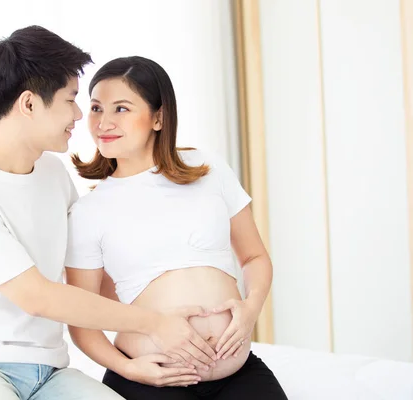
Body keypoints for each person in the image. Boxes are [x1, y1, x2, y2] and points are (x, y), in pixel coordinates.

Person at [0, 27, 218, 400]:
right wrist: (155, 324)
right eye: (71, 98)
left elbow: (93, 277)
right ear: (29, 104)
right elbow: (38, 297)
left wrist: (188, 309)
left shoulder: (53, 175)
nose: (79, 115)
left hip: (50, 373)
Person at [65, 56, 288, 399]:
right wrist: (128, 368)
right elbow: (81, 319)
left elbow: (255, 256)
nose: (103, 122)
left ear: (159, 117)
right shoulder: (88, 211)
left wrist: (250, 309)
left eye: (120, 109)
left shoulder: (207, 166)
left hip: (236, 371)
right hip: (150, 378)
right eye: (96, 108)